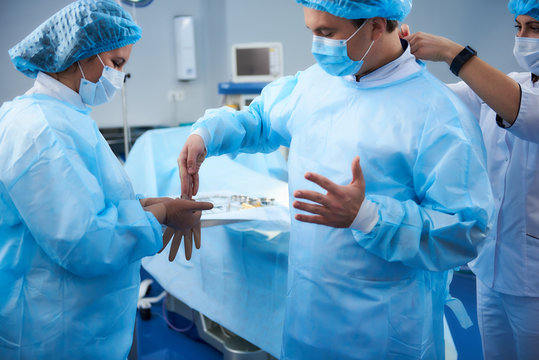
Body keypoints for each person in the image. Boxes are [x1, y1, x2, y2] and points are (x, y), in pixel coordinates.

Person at [178, 0, 494, 358]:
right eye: (312, 31)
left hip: (384, 330)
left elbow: (464, 228)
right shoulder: (315, 85)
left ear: (376, 24)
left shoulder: (438, 114)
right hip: (307, 319)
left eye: (328, 33)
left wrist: (369, 217)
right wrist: (205, 135)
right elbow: (261, 119)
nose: (317, 44)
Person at [0, 1, 212, 359]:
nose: (119, 76)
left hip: (80, 321)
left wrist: (154, 205)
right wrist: (160, 215)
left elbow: (92, 202)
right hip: (53, 332)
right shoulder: (41, 130)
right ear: (80, 52)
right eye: (116, 63)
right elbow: (85, 242)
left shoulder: (67, 117)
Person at [402, 0, 539, 358]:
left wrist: (451, 52)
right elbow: (441, 99)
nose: (522, 38)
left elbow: (521, 112)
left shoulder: (510, 93)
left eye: (534, 28)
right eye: (518, 27)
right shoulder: (512, 83)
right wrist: (400, 64)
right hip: (492, 269)